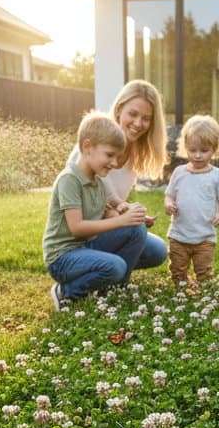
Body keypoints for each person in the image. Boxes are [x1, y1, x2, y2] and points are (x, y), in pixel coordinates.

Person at [44, 111, 149, 307]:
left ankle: (114, 288)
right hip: (63, 257)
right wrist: (119, 221)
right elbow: (76, 227)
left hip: (85, 247)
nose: (115, 163)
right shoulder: (69, 180)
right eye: (109, 155)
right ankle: (65, 292)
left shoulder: (97, 182)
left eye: (117, 157)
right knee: (116, 266)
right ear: (87, 147)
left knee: (137, 229)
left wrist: (122, 212)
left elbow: (104, 212)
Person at [68, 79, 168, 269]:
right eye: (133, 114)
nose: (138, 123)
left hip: (109, 229)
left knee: (158, 250)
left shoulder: (135, 155)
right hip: (83, 234)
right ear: (119, 109)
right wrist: (120, 217)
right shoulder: (94, 145)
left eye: (146, 118)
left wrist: (130, 212)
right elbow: (81, 201)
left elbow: (113, 198)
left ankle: (107, 269)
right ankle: (105, 277)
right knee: (136, 232)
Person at [163, 114, 219, 286]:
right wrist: (169, 204)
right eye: (193, 150)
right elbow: (169, 194)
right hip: (179, 234)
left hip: (205, 236)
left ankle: (204, 292)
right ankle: (180, 292)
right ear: (185, 147)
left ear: (214, 149)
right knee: (177, 272)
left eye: (204, 150)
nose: (198, 155)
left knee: (204, 273)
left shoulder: (216, 175)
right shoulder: (179, 172)